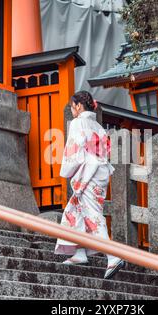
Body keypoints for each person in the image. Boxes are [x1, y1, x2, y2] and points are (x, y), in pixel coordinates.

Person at [54, 91, 125, 280]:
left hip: (89, 174)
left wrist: (67, 170)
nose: (71, 109)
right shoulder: (98, 126)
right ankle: (79, 252)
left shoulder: (78, 123)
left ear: (78, 106)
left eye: (72, 105)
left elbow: (74, 152)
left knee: (93, 215)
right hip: (100, 173)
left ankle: (113, 256)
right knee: (77, 210)